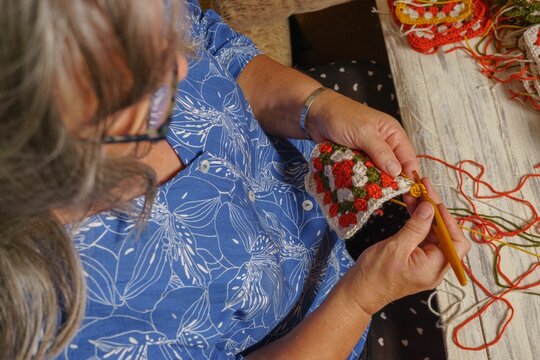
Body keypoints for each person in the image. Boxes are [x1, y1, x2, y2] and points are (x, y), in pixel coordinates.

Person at [0, 0, 470, 359]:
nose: (181, 70)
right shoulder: (54, 320)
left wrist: (315, 107)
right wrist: (359, 301)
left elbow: (211, 42)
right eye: (139, 83)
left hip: (330, 185)